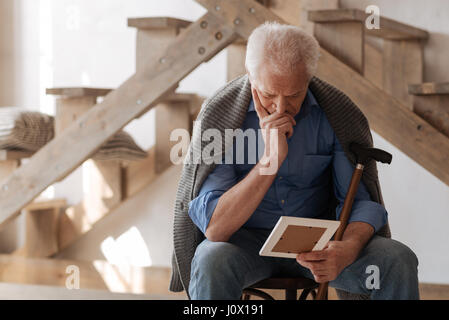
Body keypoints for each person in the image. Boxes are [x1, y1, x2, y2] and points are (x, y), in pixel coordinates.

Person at [171, 22, 419, 300]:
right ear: (250, 77)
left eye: (293, 95)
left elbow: (361, 203)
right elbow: (216, 228)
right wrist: (270, 160)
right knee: (211, 259)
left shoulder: (336, 115)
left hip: (319, 244)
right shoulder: (221, 117)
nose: (280, 107)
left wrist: (347, 247)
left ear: (308, 79)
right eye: (267, 94)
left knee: (397, 259)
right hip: (244, 244)